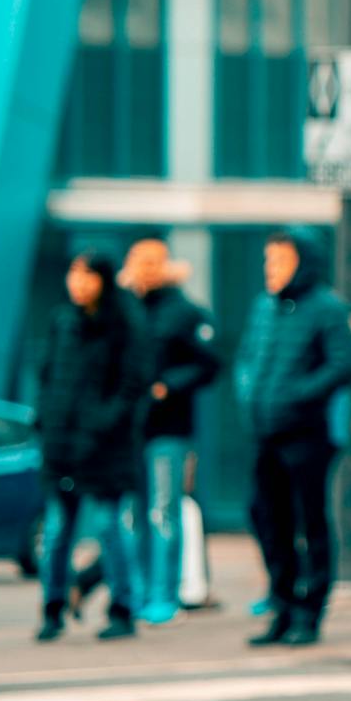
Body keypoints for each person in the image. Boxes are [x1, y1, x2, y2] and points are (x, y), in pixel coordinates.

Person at [234, 228, 351, 648]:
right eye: (268, 261)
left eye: (280, 261)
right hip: (264, 432)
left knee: (309, 522)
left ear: (302, 263)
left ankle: (310, 612)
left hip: (308, 435)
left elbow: (345, 364)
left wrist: (296, 396)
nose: (271, 270)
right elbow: (247, 357)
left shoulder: (327, 308)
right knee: (266, 518)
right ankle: (283, 606)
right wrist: (248, 391)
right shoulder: (263, 307)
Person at [34, 250, 149, 643]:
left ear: (103, 280)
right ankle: (52, 609)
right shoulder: (61, 321)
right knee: (56, 531)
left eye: (87, 276)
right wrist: (45, 420)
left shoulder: (123, 325)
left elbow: (132, 386)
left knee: (109, 527)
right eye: (74, 274)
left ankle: (122, 608)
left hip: (104, 449)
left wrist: (103, 424)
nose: (78, 283)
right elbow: (46, 375)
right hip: (61, 445)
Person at [120, 238, 222, 625]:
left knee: (164, 512)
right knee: (134, 515)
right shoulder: (125, 310)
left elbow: (210, 364)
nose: (144, 270)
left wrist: (168, 386)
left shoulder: (184, 312)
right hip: (131, 430)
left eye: (151, 263)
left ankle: (165, 594)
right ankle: (139, 592)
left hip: (169, 430)